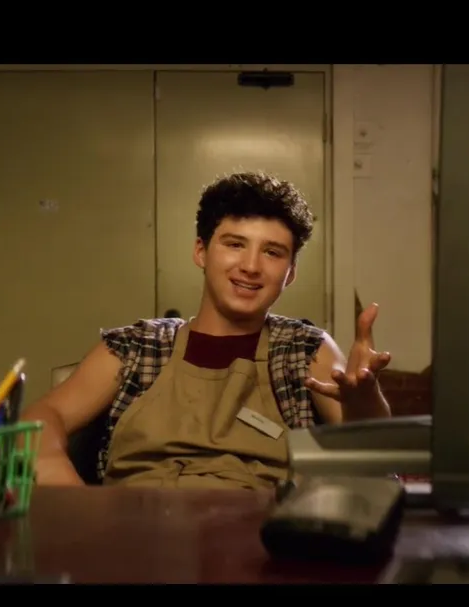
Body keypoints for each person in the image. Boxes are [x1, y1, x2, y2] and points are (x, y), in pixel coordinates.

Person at [23, 172, 393, 489]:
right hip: (134, 532)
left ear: (290, 272)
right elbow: (40, 418)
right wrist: (71, 492)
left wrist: (365, 403)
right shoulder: (137, 347)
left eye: (272, 252)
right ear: (201, 251)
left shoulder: (304, 350)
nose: (251, 266)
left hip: (261, 538)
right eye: (235, 244)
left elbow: (373, 459)